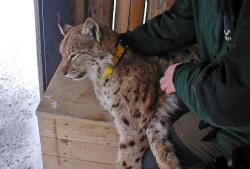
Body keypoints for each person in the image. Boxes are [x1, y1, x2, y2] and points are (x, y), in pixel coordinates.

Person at [118, 0, 250, 168]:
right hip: (215, 105)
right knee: (152, 161)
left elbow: (233, 95)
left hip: (238, 122)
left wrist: (179, 78)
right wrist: (123, 44)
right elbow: (179, 21)